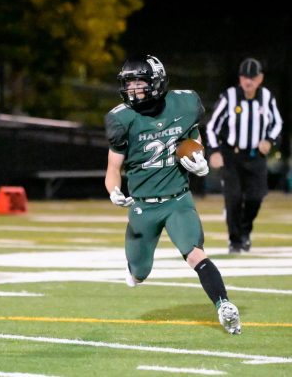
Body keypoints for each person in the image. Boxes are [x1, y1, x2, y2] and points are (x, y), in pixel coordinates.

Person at [104, 54, 241, 335]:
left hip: (178, 199)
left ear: (157, 82)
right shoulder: (122, 119)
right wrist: (113, 191)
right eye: (129, 84)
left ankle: (224, 305)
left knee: (195, 254)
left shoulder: (184, 104)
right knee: (139, 273)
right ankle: (135, 270)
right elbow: (113, 168)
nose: (133, 89)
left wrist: (200, 162)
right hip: (143, 206)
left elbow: (193, 140)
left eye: (139, 83)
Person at [205, 57, 283, 254]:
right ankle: (235, 241)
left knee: (256, 197)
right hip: (231, 155)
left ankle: (245, 231)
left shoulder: (266, 97)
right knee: (233, 198)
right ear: (240, 78)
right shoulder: (229, 97)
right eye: (244, 77)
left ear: (260, 79)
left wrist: (269, 140)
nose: (248, 81)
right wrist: (214, 151)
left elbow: (278, 123)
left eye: (252, 77)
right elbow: (212, 126)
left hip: (256, 156)